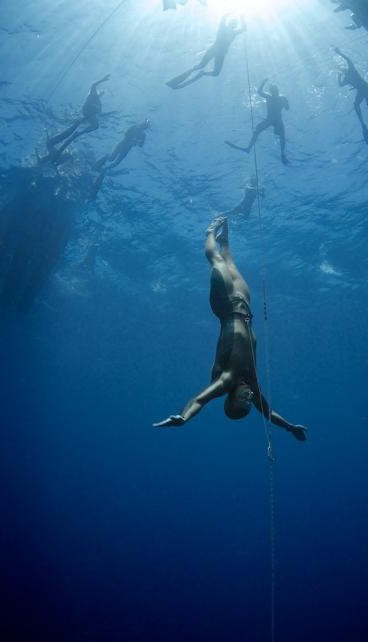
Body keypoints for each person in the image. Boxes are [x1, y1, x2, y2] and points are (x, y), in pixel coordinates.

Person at [154, 216, 307, 441]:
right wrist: (290, 428)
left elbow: (199, 400)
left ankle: (209, 231)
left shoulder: (226, 379)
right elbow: (268, 413)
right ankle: (225, 235)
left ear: (231, 398)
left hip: (226, 307)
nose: (250, 397)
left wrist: (184, 418)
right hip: (246, 307)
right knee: (230, 261)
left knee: (216, 261)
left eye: (244, 401)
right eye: (249, 403)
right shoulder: (252, 382)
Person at [43, 75, 110, 164]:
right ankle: (78, 132)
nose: (100, 95)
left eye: (101, 95)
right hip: (87, 110)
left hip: (89, 115)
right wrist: (102, 80)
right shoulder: (93, 94)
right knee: (84, 125)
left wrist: (102, 115)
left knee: (95, 125)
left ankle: (78, 133)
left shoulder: (99, 102)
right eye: (100, 94)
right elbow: (93, 85)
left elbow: (100, 114)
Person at [166, 14, 246, 89]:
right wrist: (232, 13)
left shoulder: (233, 32)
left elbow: (244, 28)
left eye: (234, 24)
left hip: (220, 54)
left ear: (234, 26)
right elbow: (223, 18)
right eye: (232, 23)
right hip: (214, 50)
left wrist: (242, 17)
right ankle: (194, 71)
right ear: (230, 23)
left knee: (215, 73)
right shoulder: (223, 28)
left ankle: (202, 73)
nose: (232, 25)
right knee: (201, 65)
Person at [225, 79, 289, 164]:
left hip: (271, 120)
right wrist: (285, 103)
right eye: (273, 91)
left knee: (266, 132)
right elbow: (287, 108)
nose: (274, 92)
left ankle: (250, 148)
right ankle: (281, 154)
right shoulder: (278, 98)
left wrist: (263, 82)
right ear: (274, 91)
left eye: (274, 91)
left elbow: (259, 91)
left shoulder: (272, 97)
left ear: (274, 91)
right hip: (274, 120)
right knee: (277, 135)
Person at [90, 120, 150, 198]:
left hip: (127, 149)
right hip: (122, 144)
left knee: (116, 163)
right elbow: (126, 134)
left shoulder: (143, 135)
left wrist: (137, 142)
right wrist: (133, 140)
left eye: (145, 125)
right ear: (142, 123)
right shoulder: (134, 127)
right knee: (112, 158)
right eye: (144, 123)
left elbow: (140, 145)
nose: (143, 125)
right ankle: (101, 162)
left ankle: (103, 170)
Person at [334, 48, 368, 133]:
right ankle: (363, 124)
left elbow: (347, 59)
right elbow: (340, 85)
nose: (343, 70)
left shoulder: (351, 70)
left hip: (366, 88)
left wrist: (339, 53)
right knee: (357, 104)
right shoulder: (347, 77)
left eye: (343, 69)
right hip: (362, 91)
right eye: (342, 70)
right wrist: (339, 76)